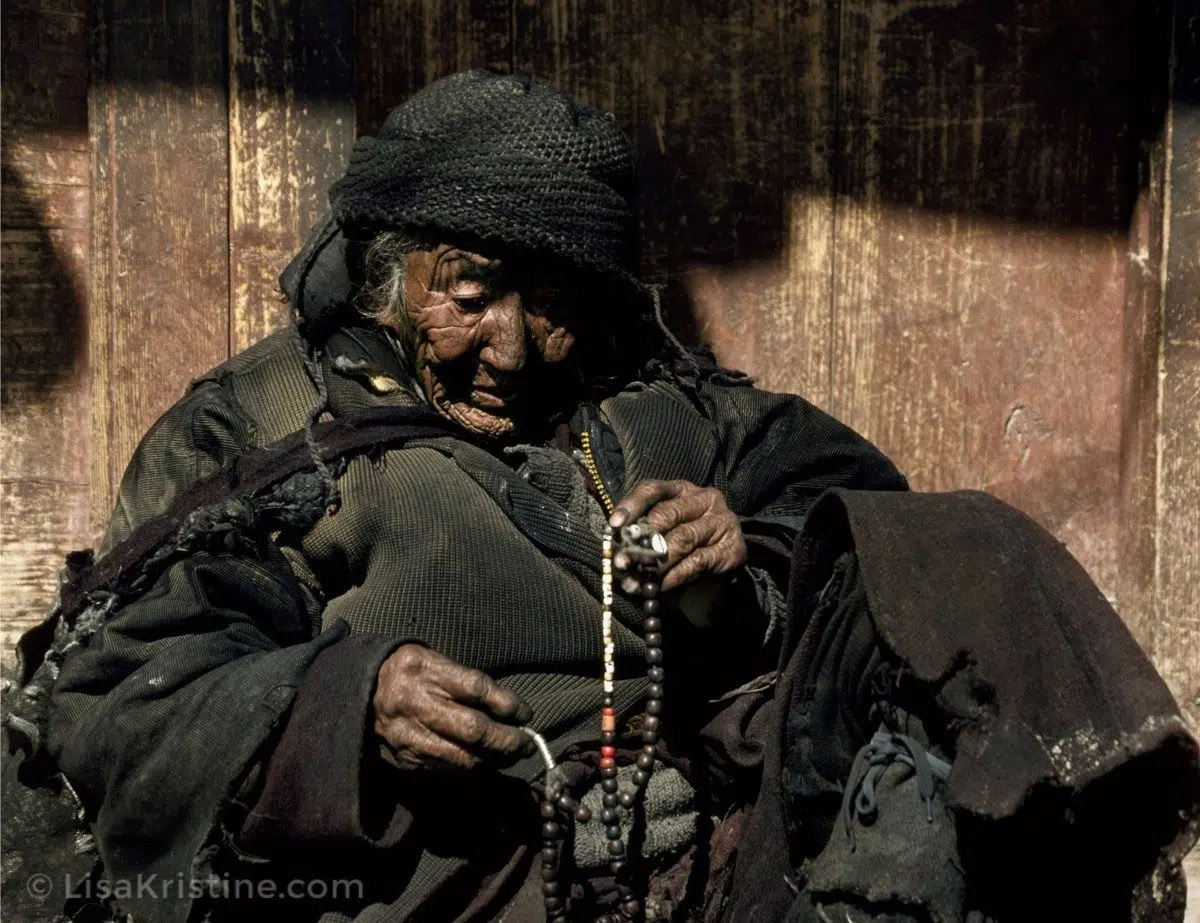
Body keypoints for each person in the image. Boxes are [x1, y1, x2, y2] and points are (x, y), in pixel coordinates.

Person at [5, 70, 1198, 923]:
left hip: (719, 859)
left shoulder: (657, 399)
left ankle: (1108, 828)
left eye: (557, 303)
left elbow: (859, 515)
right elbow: (122, 691)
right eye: (471, 293)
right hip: (449, 880)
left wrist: (755, 557)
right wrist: (342, 702)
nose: (517, 349)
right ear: (384, 277)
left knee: (959, 542)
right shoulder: (263, 435)